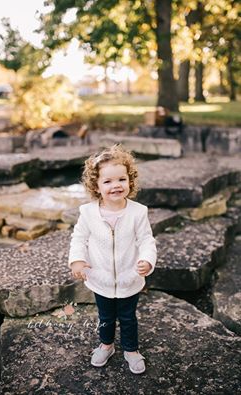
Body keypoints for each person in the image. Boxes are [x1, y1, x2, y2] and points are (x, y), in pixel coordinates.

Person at [68, 145, 157, 374]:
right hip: (100, 278)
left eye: (121, 179)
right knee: (105, 316)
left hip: (129, 278)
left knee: (128, 317)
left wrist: (147, 260)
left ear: (130, 181)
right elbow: (79, 239)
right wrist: (77, 260)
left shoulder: (138, 212)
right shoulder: (88, 213)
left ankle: (131, 350)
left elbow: (146, 240)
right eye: (107, 182)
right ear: (96, 186)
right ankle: (106, 345)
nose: (116, 185)